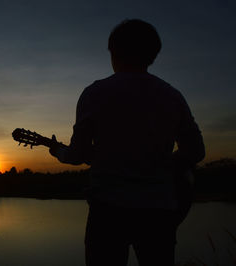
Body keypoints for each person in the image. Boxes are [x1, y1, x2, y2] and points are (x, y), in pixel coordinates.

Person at [49, 19, 205, 266]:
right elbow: (196, 151)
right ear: (153, 56)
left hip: (108, 212)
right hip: (159, 213)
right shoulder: (173, 96)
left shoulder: (95, 93)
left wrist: (58, 151)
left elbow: (77, 155)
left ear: (113, 50)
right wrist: (162, 164)